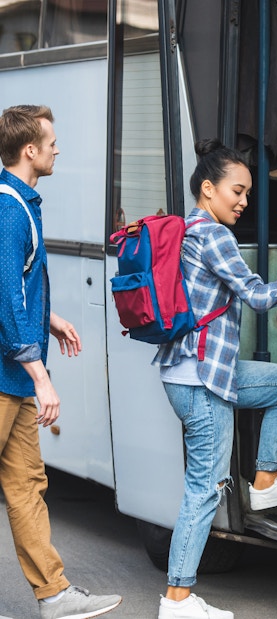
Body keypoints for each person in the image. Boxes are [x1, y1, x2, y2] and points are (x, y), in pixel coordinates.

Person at [155, 138, 277, 619]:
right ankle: (177, 600)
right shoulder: (213, 236)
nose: (243, 201)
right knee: (204, 487)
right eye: (236, 192)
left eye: (246, 193)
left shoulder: (187, 228)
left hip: (203, 372)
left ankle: (265, 479)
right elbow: (258, 297)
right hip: (201, 381)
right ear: (207, 189)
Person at [0, 105, 122, 619]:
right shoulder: (9, 209)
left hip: (13, 379)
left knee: (27, 483)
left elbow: (17, 286)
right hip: (9, 378)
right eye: (51, 141)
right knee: (27, 484)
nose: (57, 148)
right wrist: (40, 375)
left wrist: (47, 316)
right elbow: (3, 296)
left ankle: (54, 594)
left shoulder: (22, 203)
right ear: (30, 150)